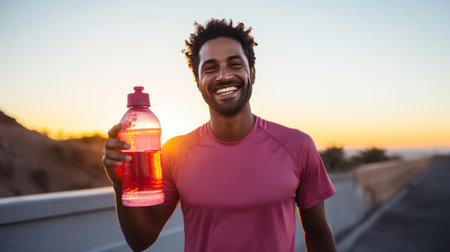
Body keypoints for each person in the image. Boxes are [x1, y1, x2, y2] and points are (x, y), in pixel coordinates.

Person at [103, 19, 337, 252]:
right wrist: (119, 183)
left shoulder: (297, 146)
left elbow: (317, 233)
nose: (223, 76)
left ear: (252, 73)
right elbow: (141, 240)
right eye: (210, 68)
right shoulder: (176, 152)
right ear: (198, 82)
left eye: (235, 64)